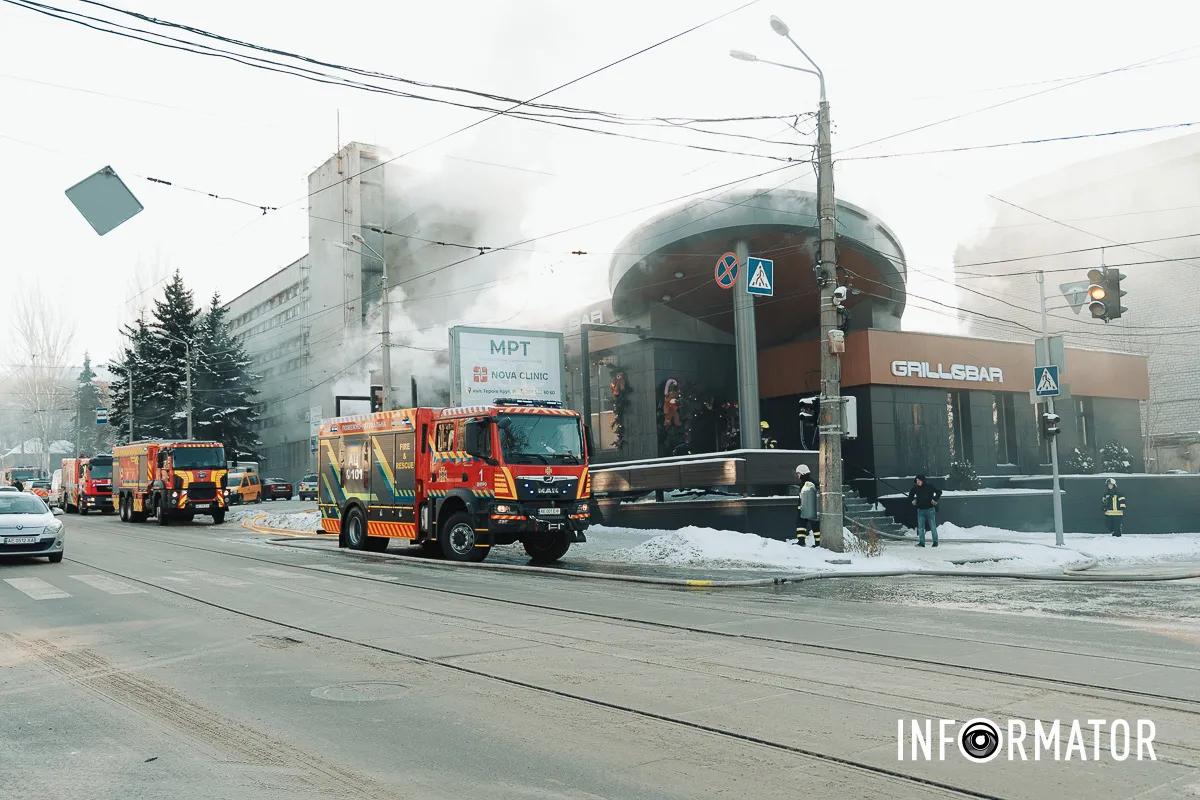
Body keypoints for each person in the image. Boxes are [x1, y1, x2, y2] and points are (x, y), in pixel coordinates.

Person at [907, 474, 942, 547]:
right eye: (917, 480)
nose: (918, 482)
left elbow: (939, 492)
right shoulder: (915, 488)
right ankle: (922, 543)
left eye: (919, 480)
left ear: (923, 480)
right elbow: (910, 496)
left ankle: (935, 542)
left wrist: (934, 499)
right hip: (920, 510)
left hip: (930, 510)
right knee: (920, 528)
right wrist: (913, 500)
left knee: (932, 527)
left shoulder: (929, 486)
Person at [794, 464, 820, 548]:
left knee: (813, 525)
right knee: (801, 525)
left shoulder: (807, 483)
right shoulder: (808, 482)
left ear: (802, 472)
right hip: (808, 508)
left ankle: (817, 543)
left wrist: (801, 507)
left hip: (808, 508)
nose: (798, 475)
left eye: (798, 473)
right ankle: (802, 541)